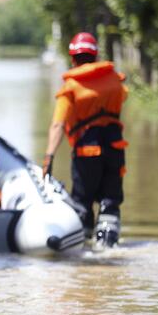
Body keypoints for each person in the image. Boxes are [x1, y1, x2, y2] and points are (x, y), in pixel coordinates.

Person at [43, 32, 128, 250]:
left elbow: (58, 125)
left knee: (82, 204)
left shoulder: (70, 88)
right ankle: (108, 247)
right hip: (115, 150)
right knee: (110, 202)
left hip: (86, 154)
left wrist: (49, 157)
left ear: (73, 58)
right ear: (96, 55)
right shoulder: (114, 81)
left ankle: (83, 251)